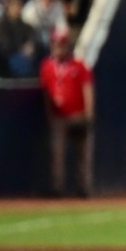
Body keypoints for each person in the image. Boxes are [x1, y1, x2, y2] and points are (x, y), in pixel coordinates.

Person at [40, 28, 94, 197]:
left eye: (62, 44)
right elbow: (45, 94)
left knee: (84, 154)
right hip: (59, 118)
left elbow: (88, 88)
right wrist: (50, 115)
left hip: (78, 116)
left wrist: (89, 113)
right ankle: (58, 189)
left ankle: (83, 188)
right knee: (57, 153)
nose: (59, 48)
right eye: (56, 44)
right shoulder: (47, 67)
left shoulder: (78, 66)